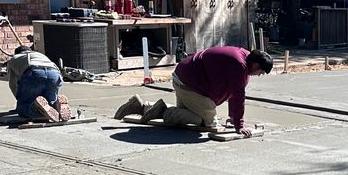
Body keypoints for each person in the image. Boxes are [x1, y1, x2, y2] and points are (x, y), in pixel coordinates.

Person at [115, 46, 273, 135]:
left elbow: (233, 92)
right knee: (207, 121)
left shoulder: (244, 58)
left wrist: (233, 117)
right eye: (261, 72)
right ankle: (163, 111)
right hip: (189, 85)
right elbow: (238, 96)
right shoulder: (239, 66)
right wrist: (239, 126)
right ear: (255, 65)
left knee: (186, 114)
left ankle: (142, 107)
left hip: (186, 79)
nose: (259, 75)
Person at [6, 46, 70, 121]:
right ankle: (56, 105)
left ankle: (36, 108)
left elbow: (13, 83)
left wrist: (20, 98)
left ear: (17, 53)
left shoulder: (14, 58)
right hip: (54, 74)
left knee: (23, 107)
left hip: (34, 73)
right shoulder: (40, 55)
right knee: (49, 103)